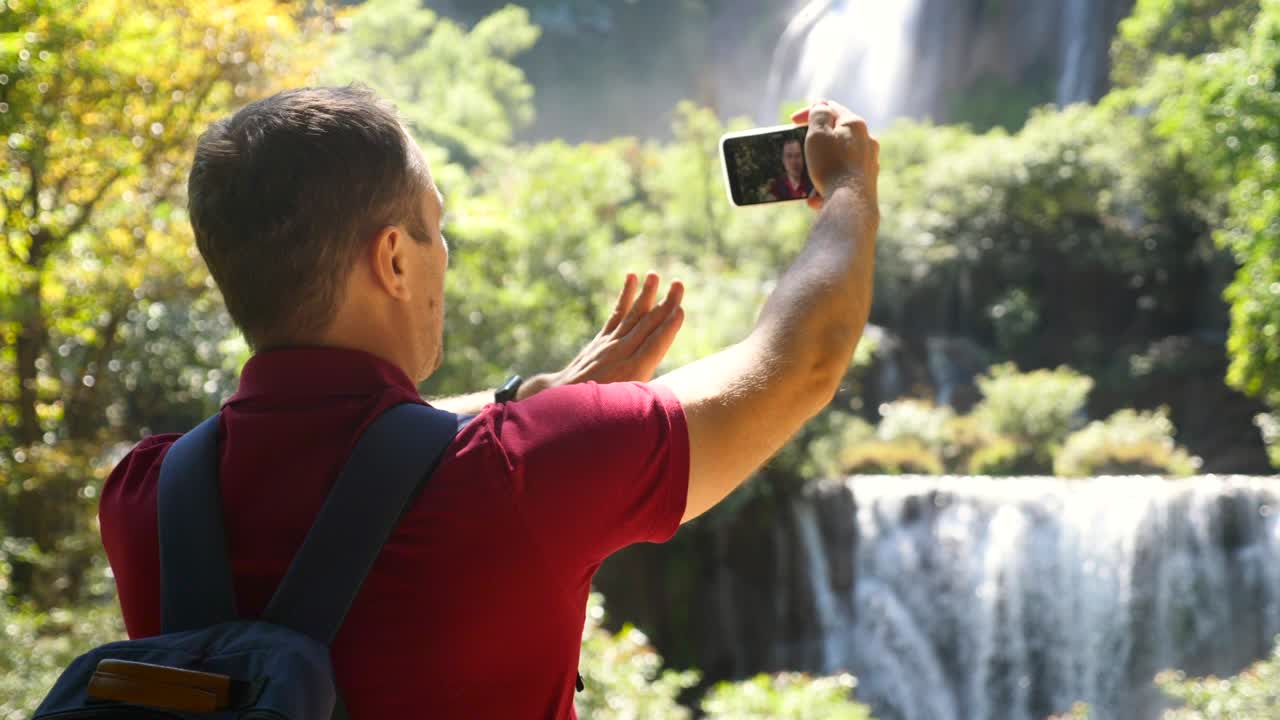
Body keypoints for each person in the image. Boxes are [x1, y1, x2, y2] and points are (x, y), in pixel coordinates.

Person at [98, 87, 879, 718]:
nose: (444, 256)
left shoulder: (144, 497)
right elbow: (802, 363)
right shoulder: (526, 469)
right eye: (436, 229)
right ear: (393, 259)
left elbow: (340, 443)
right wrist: (849, 187)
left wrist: (524, 398)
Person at [766, 136, 814, 200]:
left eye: (797, 155)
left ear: (803, 158)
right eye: (789, 156)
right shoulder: (776, 190)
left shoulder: (814, 185)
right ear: (783, 160)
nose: (794, 161)